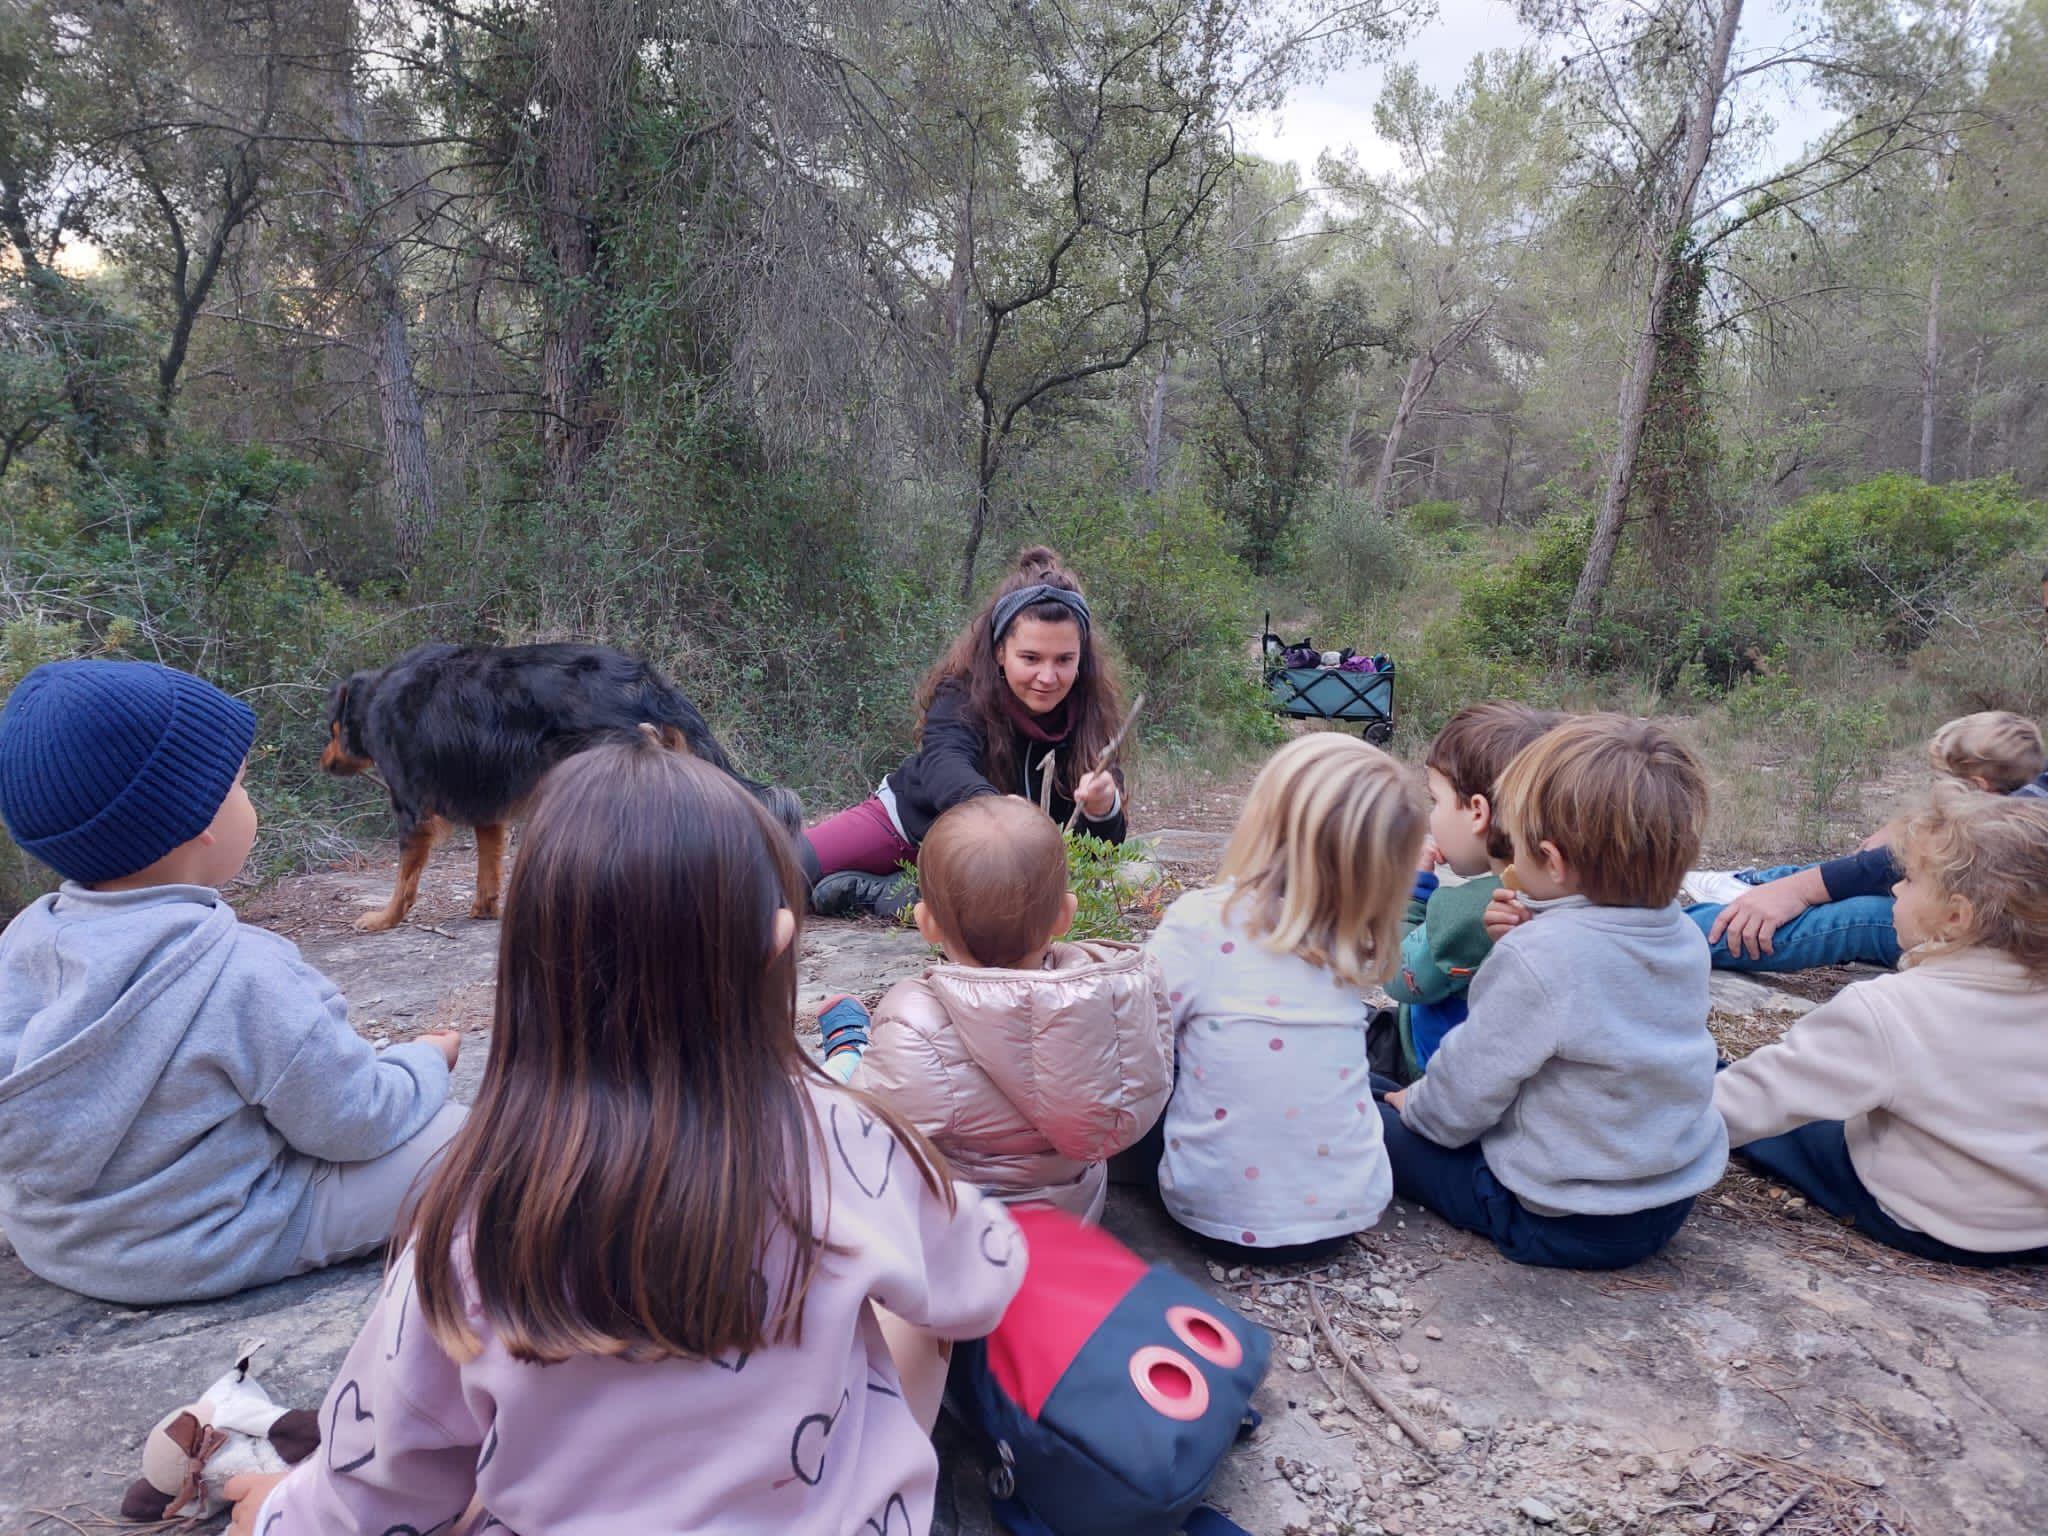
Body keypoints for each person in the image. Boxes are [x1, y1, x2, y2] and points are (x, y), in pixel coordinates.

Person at [231, 737, 1024, 1535]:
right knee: (913, 1314)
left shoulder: (472, 1215)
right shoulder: (847, 1142)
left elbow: (370, 1490)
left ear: (529, 964)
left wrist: (274, 1515)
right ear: (777, 940)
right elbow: (980, 1278)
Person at [0, 659, 463, 1305]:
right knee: (478, 1145)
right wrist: (421, 1064)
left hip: (57, 1236)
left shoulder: (24, 941)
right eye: (241, 783)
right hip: (213, 1238)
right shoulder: (240, 969)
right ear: (199, 820)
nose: (252, 799)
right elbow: (354, 1121)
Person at [1381, 715, 1726, 1270]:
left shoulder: (1539, 957)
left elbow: (1462, 1094)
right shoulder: (1682, 933)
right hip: (1668, 1197)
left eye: (1515, 845)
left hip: (1562, 1218)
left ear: (1554, 861)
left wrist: (1410, 1106)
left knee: (1368, 1111)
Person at [1714, 785, 2048, 1266]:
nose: (1894, 888)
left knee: (1792, 1127)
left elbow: (1745, 1106)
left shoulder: (1890, 1009)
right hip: (2034, 1228)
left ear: (1955, 917)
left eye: (1910, 880)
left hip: (1935, 1220)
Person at [1146, 733, 1428, 1263]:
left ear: (1263, 820)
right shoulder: (1352, 938)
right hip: (1343, 1219)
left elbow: (1141, 1033)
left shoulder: (1202, 921)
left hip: (1211, 1218)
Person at [836, 795, 1171, 1222]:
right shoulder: (1106, 992)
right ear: (1065, 914)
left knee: (840, 1078)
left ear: (926, 923)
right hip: (1076, 1214)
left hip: (973, 1234)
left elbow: (863, 1132)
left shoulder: (916, 1022)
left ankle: (845, 1045)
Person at [804, 546, 1129, 920]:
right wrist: (998, 810)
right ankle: (911, 889)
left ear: (1081, 657)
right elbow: (945, 763)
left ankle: (884, 894)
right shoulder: (961, 692)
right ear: (999, 652)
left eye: (1064, 660)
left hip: (995, 871)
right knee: (777, 872)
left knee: (1018, 916)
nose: (1047, 677)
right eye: (1031, 658)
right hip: (908, 827)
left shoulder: (1092, 716)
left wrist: (1104, 808)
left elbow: (1095, 856)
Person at [1684, 710, 2047, 971]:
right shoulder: (2012, 803)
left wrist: (1801, 891)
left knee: (1852, 918)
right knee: (1867, 871)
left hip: (1988, 930)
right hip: (1970, 902)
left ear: (1980, 791)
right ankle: (1750, 887)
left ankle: (1677, 934)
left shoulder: (1994, 837)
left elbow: (1899, 863)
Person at [1372, 701, 1561, 1084]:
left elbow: (1396, 975)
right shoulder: (1572, 896)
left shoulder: (1476, 909)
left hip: (1438, 1080)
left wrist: (1413, 893)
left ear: (1478, 812)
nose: (1432, 815)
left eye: (1436, 800)